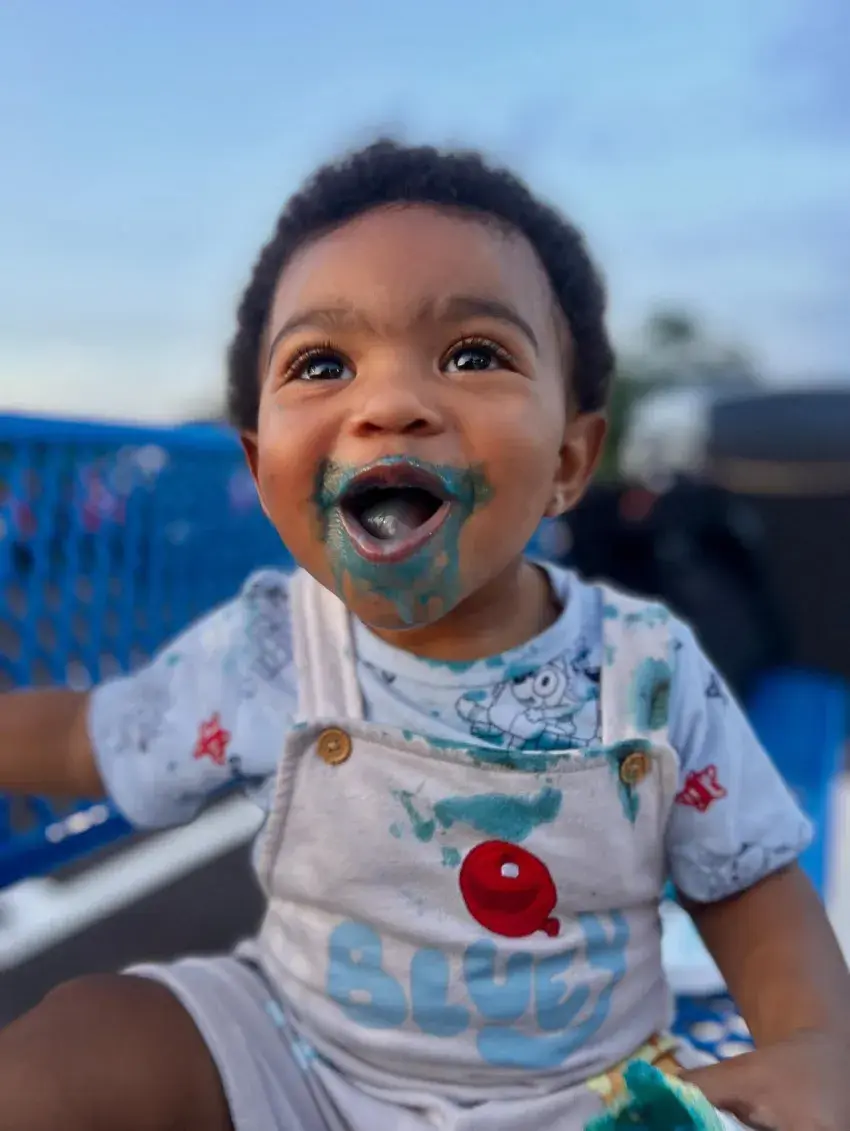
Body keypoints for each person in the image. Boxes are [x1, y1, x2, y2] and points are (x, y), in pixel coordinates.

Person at [0, 140, 847, 1131]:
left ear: (569, 461)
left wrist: (814, 1043)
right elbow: (84, 737)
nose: (391, 405)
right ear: (262, 471)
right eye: (322, 364)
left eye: (473, 355)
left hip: (583, 1096)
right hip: (300, 1064)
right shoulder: (269, 647)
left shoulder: (644, 668)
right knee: (89, 1037)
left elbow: (746, 882)